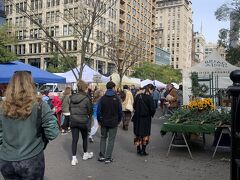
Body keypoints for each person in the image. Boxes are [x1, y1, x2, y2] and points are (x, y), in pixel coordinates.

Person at [0, 71, 59, 180]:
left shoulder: (3, 106)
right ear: (31, 84)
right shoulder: (40, 104)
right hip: (32, 159)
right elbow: (53, 132)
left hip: (6, 160)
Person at [97, 81, 122, 164]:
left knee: (103, 138)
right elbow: (120, 112)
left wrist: (99, 120)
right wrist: (119, 120)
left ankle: (101, 156)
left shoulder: (102, 98)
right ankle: (108, 157)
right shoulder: (117, 98)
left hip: (104, 121)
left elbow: (98, 112)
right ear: (113, 88)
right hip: (113, 122)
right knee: (111, 140)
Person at [70, 80, 93, 166]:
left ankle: (74, 158)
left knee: (74, 140)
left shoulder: (71, 97)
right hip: (83, 121)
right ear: (84, 88)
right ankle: (85, 154)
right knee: (84, 138)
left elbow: (70, 109)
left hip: (73, 121)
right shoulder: (86, 98)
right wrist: (89, 117)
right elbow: (90, 111)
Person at [132, 84, 156, 156]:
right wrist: (151, 114)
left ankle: (138, 149)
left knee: (137, 133)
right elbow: (152, 109)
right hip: (146, 118)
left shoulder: (137, 96)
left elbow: (134, 106)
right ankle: (143, 150)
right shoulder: (149, 98)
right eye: (152, 90)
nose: (152, 92)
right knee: (145, 134)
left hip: (137, 117)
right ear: (150, 89)